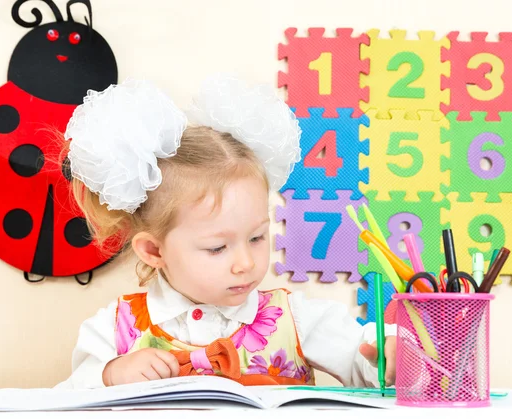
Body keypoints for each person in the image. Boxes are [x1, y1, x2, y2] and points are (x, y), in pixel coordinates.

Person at [55, 75, 396, 390]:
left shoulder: (296, 318)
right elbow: (65, 399)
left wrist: (388, 357)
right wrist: (111, 374)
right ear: (154, 251)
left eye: (257, 238)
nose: (245, 262)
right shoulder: (114, 328)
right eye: (218, 248)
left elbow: (363, 358)